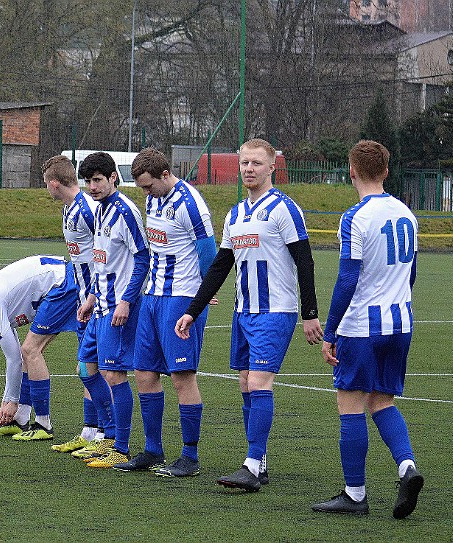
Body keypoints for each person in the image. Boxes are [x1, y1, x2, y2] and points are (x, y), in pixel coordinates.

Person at [174, 139, 322, 490]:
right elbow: (219, 267)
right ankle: (260, 459)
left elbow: (305, 261)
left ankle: (252, 465)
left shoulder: (284, 209)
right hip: (243, 312)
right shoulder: (235, 214)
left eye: (256, 163)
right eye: (244, 163)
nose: (249, 169)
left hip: (275, 311)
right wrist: (193, 310)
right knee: (245, 383)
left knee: (258, 382)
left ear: (272, 167)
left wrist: (310, 313)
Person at [311, 140, 423, 518]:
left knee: (350, 404)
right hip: (401, 322)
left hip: (362, 327)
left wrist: (330, 333)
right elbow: (412, 275)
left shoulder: (355, 217)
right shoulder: (407, 213)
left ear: (352, 171)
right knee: (382, 401)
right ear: (387, 171)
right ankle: (407, 467)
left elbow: (346, 281)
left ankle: (355, 494)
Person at [112, 148, 216, 478]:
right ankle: (153, 449)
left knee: (182, 377)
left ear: (164, 174)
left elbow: (208, 252)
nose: (145, 193)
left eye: (147, 186)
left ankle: (190, 456)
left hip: (181, 298)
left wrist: (203, 296)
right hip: (153, 297)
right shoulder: (153, 199)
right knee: (144, 372)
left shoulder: (190, 203)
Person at [70, 152, 150, 469]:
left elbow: (142, 259)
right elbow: (102, 263)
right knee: (86, 368)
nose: (92, 187)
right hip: (99, 305)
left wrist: (127, 301)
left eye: (98, 180)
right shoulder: (100, 211)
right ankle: (107, 437)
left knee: (114, 374)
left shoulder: (126, 212)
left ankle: (122, 447)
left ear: (113, 177)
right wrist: (90, 297)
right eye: (88, 181)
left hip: (118, 307)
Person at [0, 255, 80, 433]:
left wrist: (10, 401)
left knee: (30, 351)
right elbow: (15, 356)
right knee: (28, 353)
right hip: (60, 279)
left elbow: (13, 359)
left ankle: (43, 424)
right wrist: (8, 401)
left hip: (60, 284)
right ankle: (20, 420)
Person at [36, 155, 105, 447]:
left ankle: (104, 433)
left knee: (96, 367)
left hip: (98, 299)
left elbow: (107, 250)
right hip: (83, 299)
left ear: (54, 183)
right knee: (85, 366)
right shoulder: (69, 209)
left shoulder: (88, 209)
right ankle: (90, 431)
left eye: (45, 185)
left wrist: (96, 294)